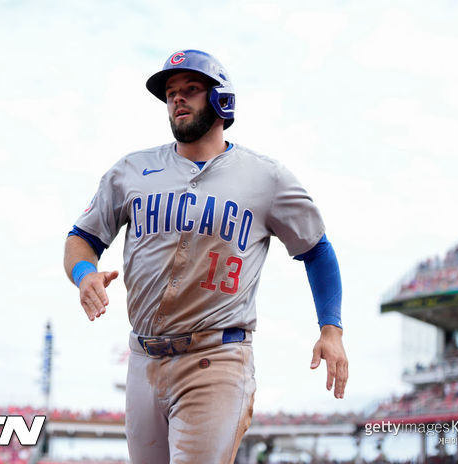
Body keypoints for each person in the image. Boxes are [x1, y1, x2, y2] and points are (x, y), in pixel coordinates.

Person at [63, 49, 348, 464]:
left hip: (215, 359)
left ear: (222, 100)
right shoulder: (131, 171)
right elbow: (80, 237)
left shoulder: (265, 178)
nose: (177, 99)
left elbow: (317, 250)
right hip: (142, 360)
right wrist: (84, 272)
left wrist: (331, 329)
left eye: (191, 90)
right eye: (171, 93)